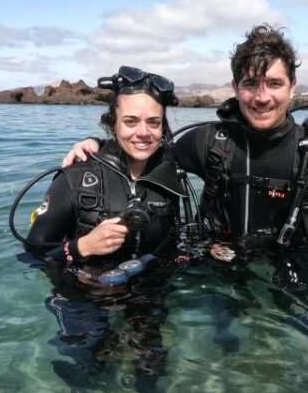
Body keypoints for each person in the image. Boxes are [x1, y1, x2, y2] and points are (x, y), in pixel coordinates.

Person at [64, 25, 308, 286]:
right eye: (251, 84)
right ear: (236, 88)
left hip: (295, 259)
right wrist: (98, 146)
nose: (261, 96)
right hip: (220, 262)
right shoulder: (209, 141)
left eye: (274, 83)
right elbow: (145, 148)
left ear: (292, 88)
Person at [26, 66, 187, 272]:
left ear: (162, 128)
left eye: (153, 123)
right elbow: (32, 254)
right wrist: (82, 247)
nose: (143, 132)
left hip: (155, 295)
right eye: (131, 121)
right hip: (86, 296)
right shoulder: (74, 177)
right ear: (114, 125)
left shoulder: (173, 169)